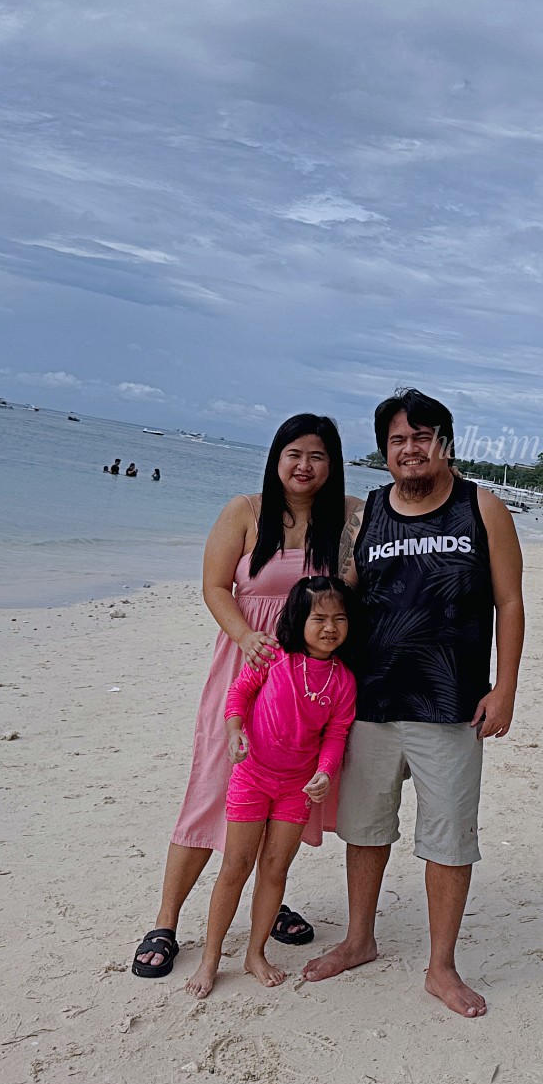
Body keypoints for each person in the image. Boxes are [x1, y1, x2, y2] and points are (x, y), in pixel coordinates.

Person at [301, 390, 524, 1019]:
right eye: (398, 440)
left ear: (445, 443)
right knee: (365, 830)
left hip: (452, 704)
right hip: (369, 700)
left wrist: (504, 685)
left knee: (449, 837)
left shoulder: (481, 508)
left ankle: (442, 966)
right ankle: (359, 938)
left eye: (422, 438)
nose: (410, 449)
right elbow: (337, 598)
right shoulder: (366, 516)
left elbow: (510, 602)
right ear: (385, 450)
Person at [131, 414, 362, 980]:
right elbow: (214, 585)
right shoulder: (245, 512)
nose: (304, 466)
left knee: (283, 790)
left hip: (308, 685)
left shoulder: (349, 520)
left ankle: (268, 901)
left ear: (333, 464)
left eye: (318, 456)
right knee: (214, 786)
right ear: (276, 459)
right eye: (293, 454)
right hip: (246, 666)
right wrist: (244, 635)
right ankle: (166, 920)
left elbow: (359, 586)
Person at [184, 577, 357, 998]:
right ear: (299, 619)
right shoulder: (273, 657)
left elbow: (336, 735)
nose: (330, 627)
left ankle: (255, 954)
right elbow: (238, 695)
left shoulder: (344, 680)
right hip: (252, 776)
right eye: (319, 618)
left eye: (339, 618)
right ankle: (211, 958)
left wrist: (326, 773)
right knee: (235, 866)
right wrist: (233, 732)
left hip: (296, 789)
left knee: (275, 869)